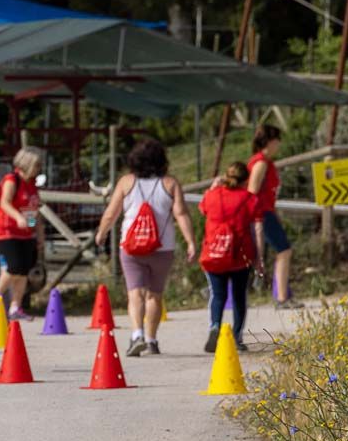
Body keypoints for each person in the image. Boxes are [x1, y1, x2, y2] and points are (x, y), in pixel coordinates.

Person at [94, 139, 197, 356]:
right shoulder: (170, 184)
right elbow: (181, 213)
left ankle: (137, 334)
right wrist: (190, 241)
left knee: (136, 294)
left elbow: (111, 213)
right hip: (163, 248)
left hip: (131, 248)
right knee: (154, 295)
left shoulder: (126, 182)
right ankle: (151, 340)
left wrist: (101, 233)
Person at [199, 161, 264, 353]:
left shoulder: (212, 196)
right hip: (240, 255)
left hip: (214, 254)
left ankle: (215, 326)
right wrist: (259, 258)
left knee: (217, 295)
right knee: (238, 297)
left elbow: (202, 209)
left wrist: (213, 186)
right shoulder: (250, 199)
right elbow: (257, 229)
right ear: (246, 181)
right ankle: (236, 337)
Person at [0, 147, 45, 321]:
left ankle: (15, 306)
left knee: (24, 269)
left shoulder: (32, 184)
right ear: (26, 164)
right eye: (36, 165)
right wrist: (18, 217)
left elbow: (35, 211)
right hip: (7, 230)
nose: (38, 168)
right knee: (14, 265)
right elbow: (4, 203)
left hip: (26, 232)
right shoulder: (11, 180)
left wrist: (38, 232)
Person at [247, 124, 300, 309]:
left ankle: (282, 293)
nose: (279, 144)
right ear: (269, 142)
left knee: (282, 251)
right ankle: (282, 297)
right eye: (277, 140)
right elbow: (252, 191)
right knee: (284, 250)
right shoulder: (260, 163)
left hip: (267, 212)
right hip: (260, 214)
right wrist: (258, 220)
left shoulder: (267, 162)